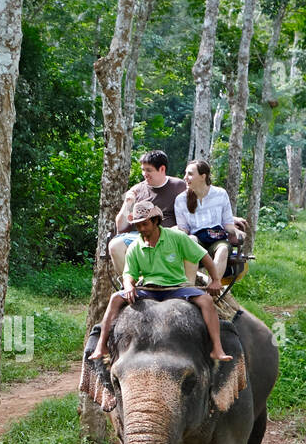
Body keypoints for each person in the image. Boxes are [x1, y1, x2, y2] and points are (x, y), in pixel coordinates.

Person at [90, 195, 233, 368]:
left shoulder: (176, 237)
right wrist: (128, 286)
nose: (142, 229)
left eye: (145, 224)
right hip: (148, 288)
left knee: (206, 300)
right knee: (114, 299)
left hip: (177, 287)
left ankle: (217, 348)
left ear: (155, 221)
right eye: (138, 225)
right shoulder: (136, 246)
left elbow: (204, 256)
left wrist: (216, 280)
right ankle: (101, 346)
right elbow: (129, 273)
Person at [107, 150, 185, 279]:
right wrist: (127, 203)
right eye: (143, 170)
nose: (144, 174)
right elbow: (120, 227)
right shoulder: (137, 189)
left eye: (149, 170)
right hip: (139, 236)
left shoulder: (179, 186)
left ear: (162, 169)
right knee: (115, 245)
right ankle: (131, 285)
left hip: (168, 236)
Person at [174, 158, 247, 287]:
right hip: (197, 239)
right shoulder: (181, 200)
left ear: (203, 176)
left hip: (217, 238)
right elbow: (183, 230)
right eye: (185, 174)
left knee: (223, 249)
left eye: (190, 174)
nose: (185, 178)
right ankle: (188, 287)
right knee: (190, 240)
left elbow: (227, 224)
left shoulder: (220, 194)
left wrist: (236, 231)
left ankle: (213, 286)